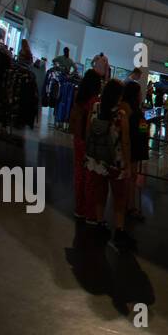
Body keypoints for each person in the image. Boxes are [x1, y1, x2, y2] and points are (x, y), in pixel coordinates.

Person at [84, 79, 134, 250]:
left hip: (97, 159)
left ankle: (100, 223)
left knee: (100, 192)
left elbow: (87, 131)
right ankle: (119, 230)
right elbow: (125, 142)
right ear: (117, 96)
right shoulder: (120, 115)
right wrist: (127, 164)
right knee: (119, 197)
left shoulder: (96, 107)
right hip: (115, 162)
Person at [69, 62, 106, 221]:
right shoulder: (95, 102)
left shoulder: (79, 98)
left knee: (79, 175)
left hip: (78, 140)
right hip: (89, 143)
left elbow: (73, 119)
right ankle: (89, 213)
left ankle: (79, 208)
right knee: (90, 178)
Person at [122, 80, 148, 222]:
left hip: (125, 147)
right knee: (131, 177)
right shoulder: (137, 113)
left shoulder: (123, 108)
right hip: (134, 148)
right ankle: (130, 206)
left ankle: (124, 204)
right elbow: (142, 130)